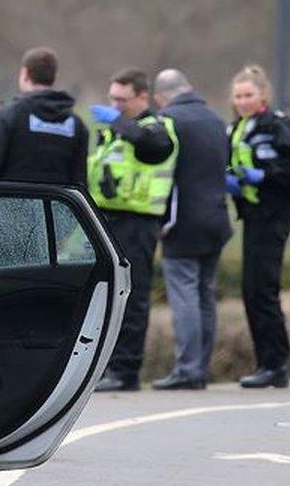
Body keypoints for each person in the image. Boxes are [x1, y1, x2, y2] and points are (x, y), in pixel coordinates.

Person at [89, 68, 177, 392]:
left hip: (138, 222)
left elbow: (151, 146)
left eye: (122, 100)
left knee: (133, 296)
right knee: (110, 295)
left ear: (143, 97)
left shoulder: (156, 127)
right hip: (109, 218)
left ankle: (126, 371)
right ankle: (109, 366)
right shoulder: (117, 130)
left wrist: (116, 122)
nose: (115, 105)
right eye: (111, 98)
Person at [225, 64, 290, 389]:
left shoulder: (277, 126)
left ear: (263, 95)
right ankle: (267, 361)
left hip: (273, 213)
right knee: (252, 290)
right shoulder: (237, 128)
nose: (243, 101)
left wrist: (265, 176)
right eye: (238, 96)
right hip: (252, 215)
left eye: (248, 95)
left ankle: (276, 364)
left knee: (262, 289)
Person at [150, 69, 233, 390]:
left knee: (184, 295)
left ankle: (187, 369)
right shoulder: (216, 120)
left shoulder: (169, 121)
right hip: (216, 219)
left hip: (182, 223)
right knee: (205, 295)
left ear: (161, 97)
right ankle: (201, 367)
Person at [0, 47, 88, 185]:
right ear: (55, 76)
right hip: (57, 206)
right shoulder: (76, 125)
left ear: (25, 73)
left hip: (12, 204)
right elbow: (79, 180)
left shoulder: (8, 116)